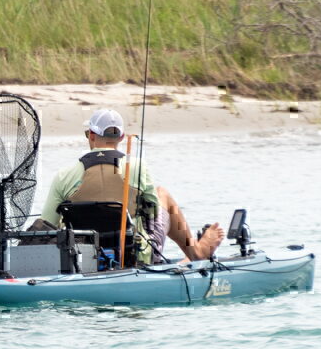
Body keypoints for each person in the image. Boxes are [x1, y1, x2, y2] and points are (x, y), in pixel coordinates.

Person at [36, 109, 224, 265]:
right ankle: (196, 252)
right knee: (162, 195)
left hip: (82, 258)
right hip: (134, 255)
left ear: (91, 135)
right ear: (121, 137)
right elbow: (153, 212)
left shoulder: (63, 176)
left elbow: (47, 225)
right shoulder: (137, 167)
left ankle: (187, 259)